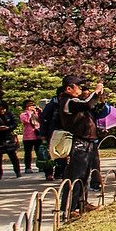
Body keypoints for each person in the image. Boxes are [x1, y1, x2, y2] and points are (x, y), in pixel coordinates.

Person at [59, 75, 103, 218]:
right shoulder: (68, 101)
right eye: (78, 87)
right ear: (69, 88)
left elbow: (91, 107)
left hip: (88, 141)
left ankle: (82, 203)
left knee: (84, 175)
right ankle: (69, 208)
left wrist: (98, 98)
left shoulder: (76, 101)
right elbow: (87, 105)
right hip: (78, 141)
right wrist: (95, 93)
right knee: (75, 175)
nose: (81, 89)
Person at [0, 102, 21, 179]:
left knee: (13, 157)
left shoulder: (10, 115)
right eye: (0, 109)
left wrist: (9, 127)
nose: (2, 111)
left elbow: (15, 123)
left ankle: (17, 172)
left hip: (8, 137)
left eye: (3, 109)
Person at [38, 88, 64, 181]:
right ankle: (48, 172)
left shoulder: (68, 104)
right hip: (52, 132)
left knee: (62, 153)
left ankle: (59, 172)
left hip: (64, 133)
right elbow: (44, 120)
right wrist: (43, 133)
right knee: (49, 153)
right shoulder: (51, 105)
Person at [19, 99, 41, 173]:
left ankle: (41, 166)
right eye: (29, 106)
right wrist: (30, 113)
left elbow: (41, 120)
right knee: (28, 152)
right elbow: (26, 121)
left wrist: (39, 112)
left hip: (37, 135)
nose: (32, 107)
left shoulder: (37, 113)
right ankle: (28, 167)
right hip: (28, 136)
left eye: (32, 105)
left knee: (39, 151)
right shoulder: (23, 114)